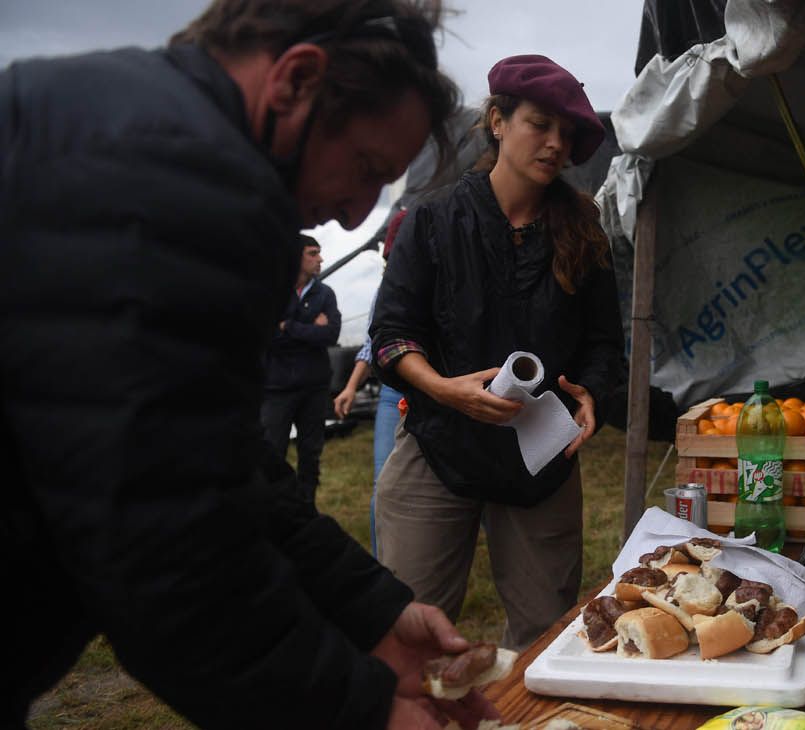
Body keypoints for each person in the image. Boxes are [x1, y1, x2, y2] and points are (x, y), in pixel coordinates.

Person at [0, 1, 499, 728]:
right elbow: (167, 549)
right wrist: (359, 712)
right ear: (295, 80)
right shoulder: (185, 183)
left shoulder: (87, 119)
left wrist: (369, 609)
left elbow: (204, 455)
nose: (356, 217)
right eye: (364, 169)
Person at [370, 55, 625, 652]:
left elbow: (605, 345)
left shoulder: (584, 230)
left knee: (547, 635)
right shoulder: (432, 219)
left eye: (567, 133)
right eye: (540, 124)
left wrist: (593, 394)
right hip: (438, 444)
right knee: (409, 629)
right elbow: (391, 333)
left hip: (541, 457)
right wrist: (439, 387)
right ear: (498, 121)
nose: (555, 143)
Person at [334, 208, 410, 554]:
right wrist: (350, 387)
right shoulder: (387, 288)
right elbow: (371, 345)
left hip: (443, 392)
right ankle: (385, 567)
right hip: (393, 392)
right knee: (385, 485)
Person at [263, 234, 341, 501]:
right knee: (273, 451)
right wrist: (310, 330)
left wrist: (289, 327)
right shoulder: (271, 290)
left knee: (311, 452)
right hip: (277, 387)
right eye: (312, 253)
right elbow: (265, 335)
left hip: (314, 386)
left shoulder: (324, 293)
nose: (320, 259)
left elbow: (331, 335)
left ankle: (306, 507)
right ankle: (273, 507)